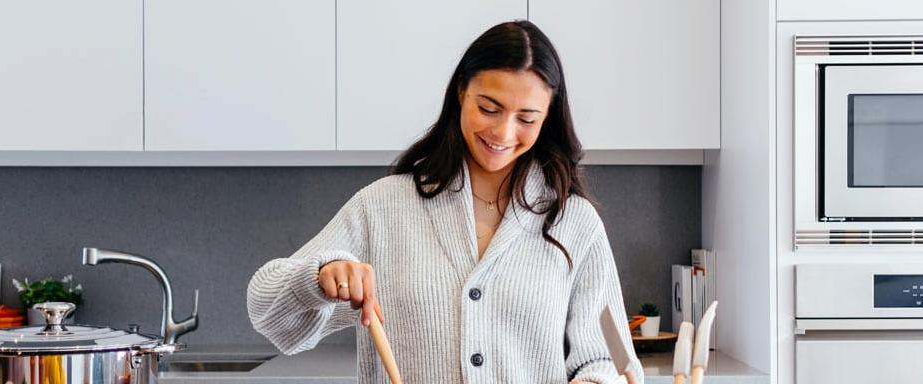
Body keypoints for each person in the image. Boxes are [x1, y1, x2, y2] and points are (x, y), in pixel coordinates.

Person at [247, 20, 641, 383]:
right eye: (489, 108)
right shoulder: (384, 208)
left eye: (527, 118)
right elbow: (268, 314)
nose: (504, 132)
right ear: (460, 93)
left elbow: (604, 359)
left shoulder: (574, 222)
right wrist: (319, 277)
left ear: (549, 117)